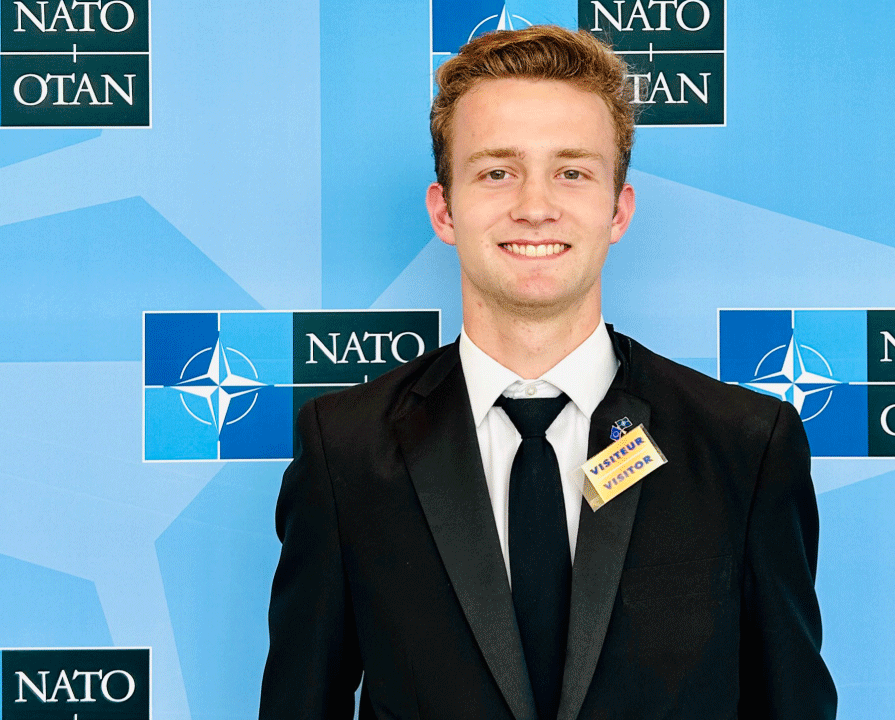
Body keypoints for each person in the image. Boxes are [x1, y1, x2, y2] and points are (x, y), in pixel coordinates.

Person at [260, 25, 837, 720]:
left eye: (572, 172)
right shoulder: (344, 450)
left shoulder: (744, 445)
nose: (535, 207)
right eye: (497, 172)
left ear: (617, 210)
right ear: (444, 210)